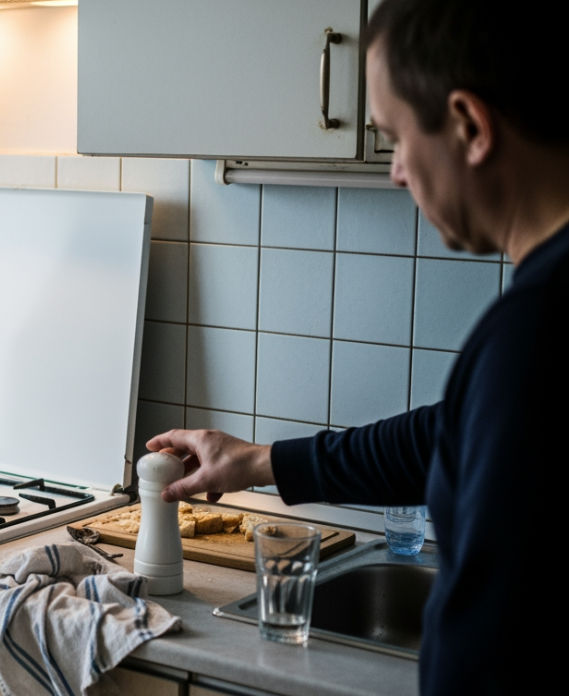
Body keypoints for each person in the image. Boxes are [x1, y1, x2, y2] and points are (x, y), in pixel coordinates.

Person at [146, 0, 565, 693]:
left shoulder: (535, 334)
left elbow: (494, 642)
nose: (398, 171)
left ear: (468, 125)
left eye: (398, 137)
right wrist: (256, 461)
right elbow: (443, 436)